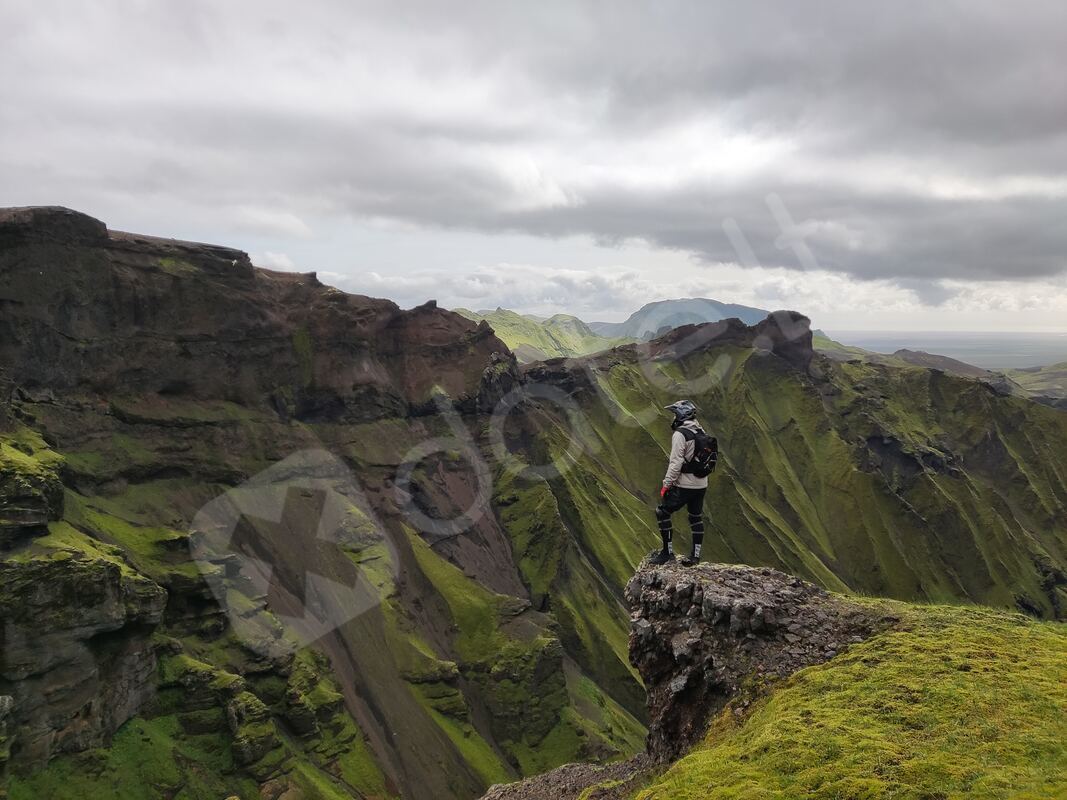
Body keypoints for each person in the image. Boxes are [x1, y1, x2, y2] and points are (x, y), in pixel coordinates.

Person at [652, 400, 717, 566]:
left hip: (685, 485)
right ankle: (695, 556)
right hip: (702, 484)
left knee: (662, 512)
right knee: (695, 517)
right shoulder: (699, 430)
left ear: (680, 415)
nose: (673, 417)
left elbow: (675, 463)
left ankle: (667, 552)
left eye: (675, 413)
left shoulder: (680, 434)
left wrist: (667, 484)